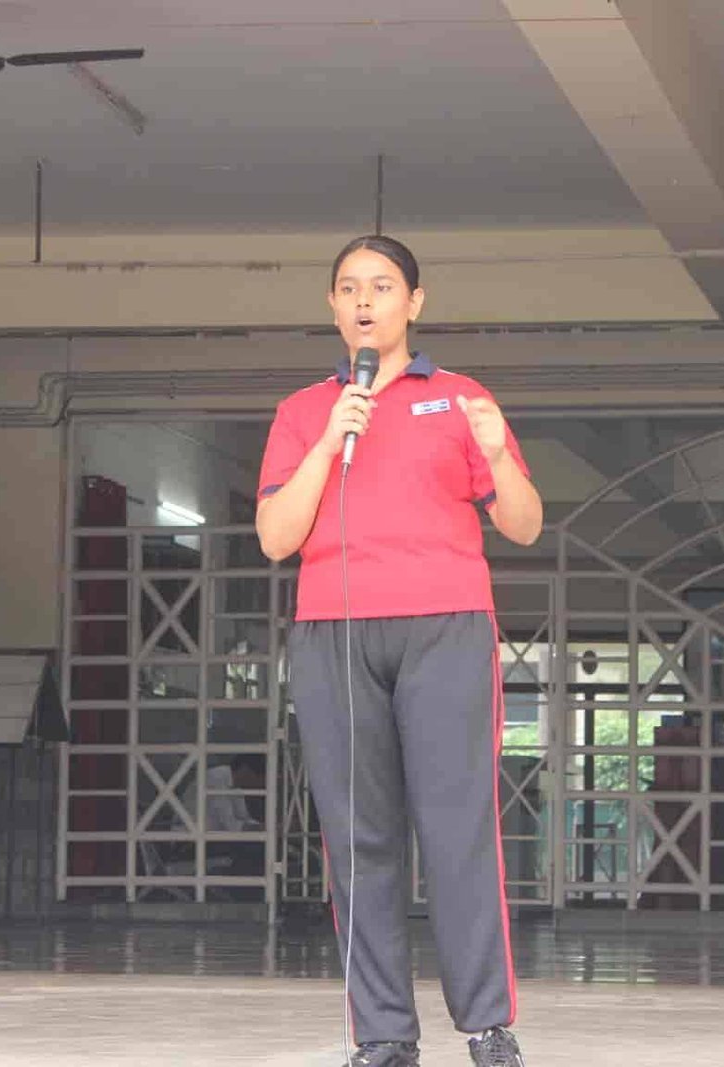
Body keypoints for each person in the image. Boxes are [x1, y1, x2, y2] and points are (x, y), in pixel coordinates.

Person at [257, 235, 542, 1067]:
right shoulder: (304, 411)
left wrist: (497, 453)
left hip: (445, 626)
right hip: (334, 628)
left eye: (382, 286)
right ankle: (383, 1033)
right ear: (332, 305)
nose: (364, 301)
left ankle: (487, 1026)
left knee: (458, 829)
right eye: (349, 287)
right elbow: (275, 537)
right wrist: (328, 441)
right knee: (358, 837)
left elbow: (524, 524)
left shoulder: (460, 398)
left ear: (414, 302)